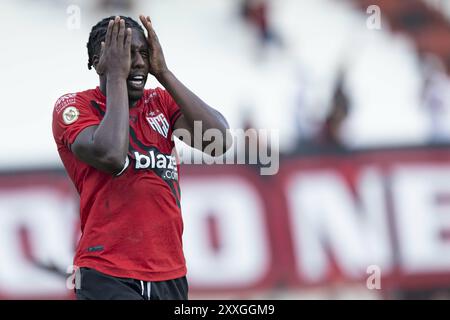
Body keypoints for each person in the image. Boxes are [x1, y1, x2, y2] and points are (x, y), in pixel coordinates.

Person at [52, 15, 231, 300]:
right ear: (98, 61)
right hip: (106, 272)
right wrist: (116, 77)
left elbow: (219, 142)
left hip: (170, 273)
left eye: (143, 53)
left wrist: (165, 73)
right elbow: (111, 154)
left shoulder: (161, 101)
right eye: (125, 53)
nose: (136, 62)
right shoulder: (74, 107)